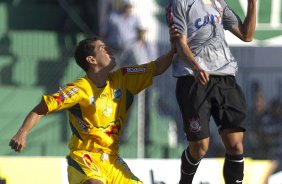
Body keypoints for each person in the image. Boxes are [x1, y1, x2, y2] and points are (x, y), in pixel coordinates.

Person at [9, 32, 178, 184]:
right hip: (85, 158)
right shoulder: (78, 90)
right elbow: (42, 107)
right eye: (103, 48)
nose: (109, 50)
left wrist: (173, 50)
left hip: (112, 160)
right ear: (91, 60)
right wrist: (22, 133)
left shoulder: (124, 77)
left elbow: (156, 68)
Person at [165, 0, 257, 183]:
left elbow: (247, 35)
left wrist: (252, 3)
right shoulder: (181, 3)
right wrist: (196, 67)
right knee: (199, 147)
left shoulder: (218, 2)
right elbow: (180, 43)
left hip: (225, 78)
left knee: (235, 144)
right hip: (193, 79)